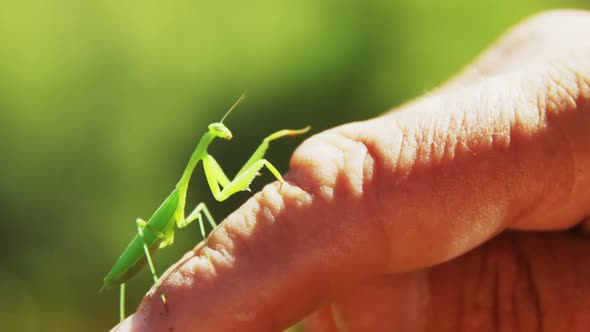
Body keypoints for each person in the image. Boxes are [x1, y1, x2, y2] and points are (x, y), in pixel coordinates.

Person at [113, 10, 590, 332]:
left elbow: (217, 198)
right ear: (208, 141)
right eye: (218, 134)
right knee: (181, 223)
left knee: (200, 217)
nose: (223, 136)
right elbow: (200, 209)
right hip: (140, 254)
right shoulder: (180, 195)